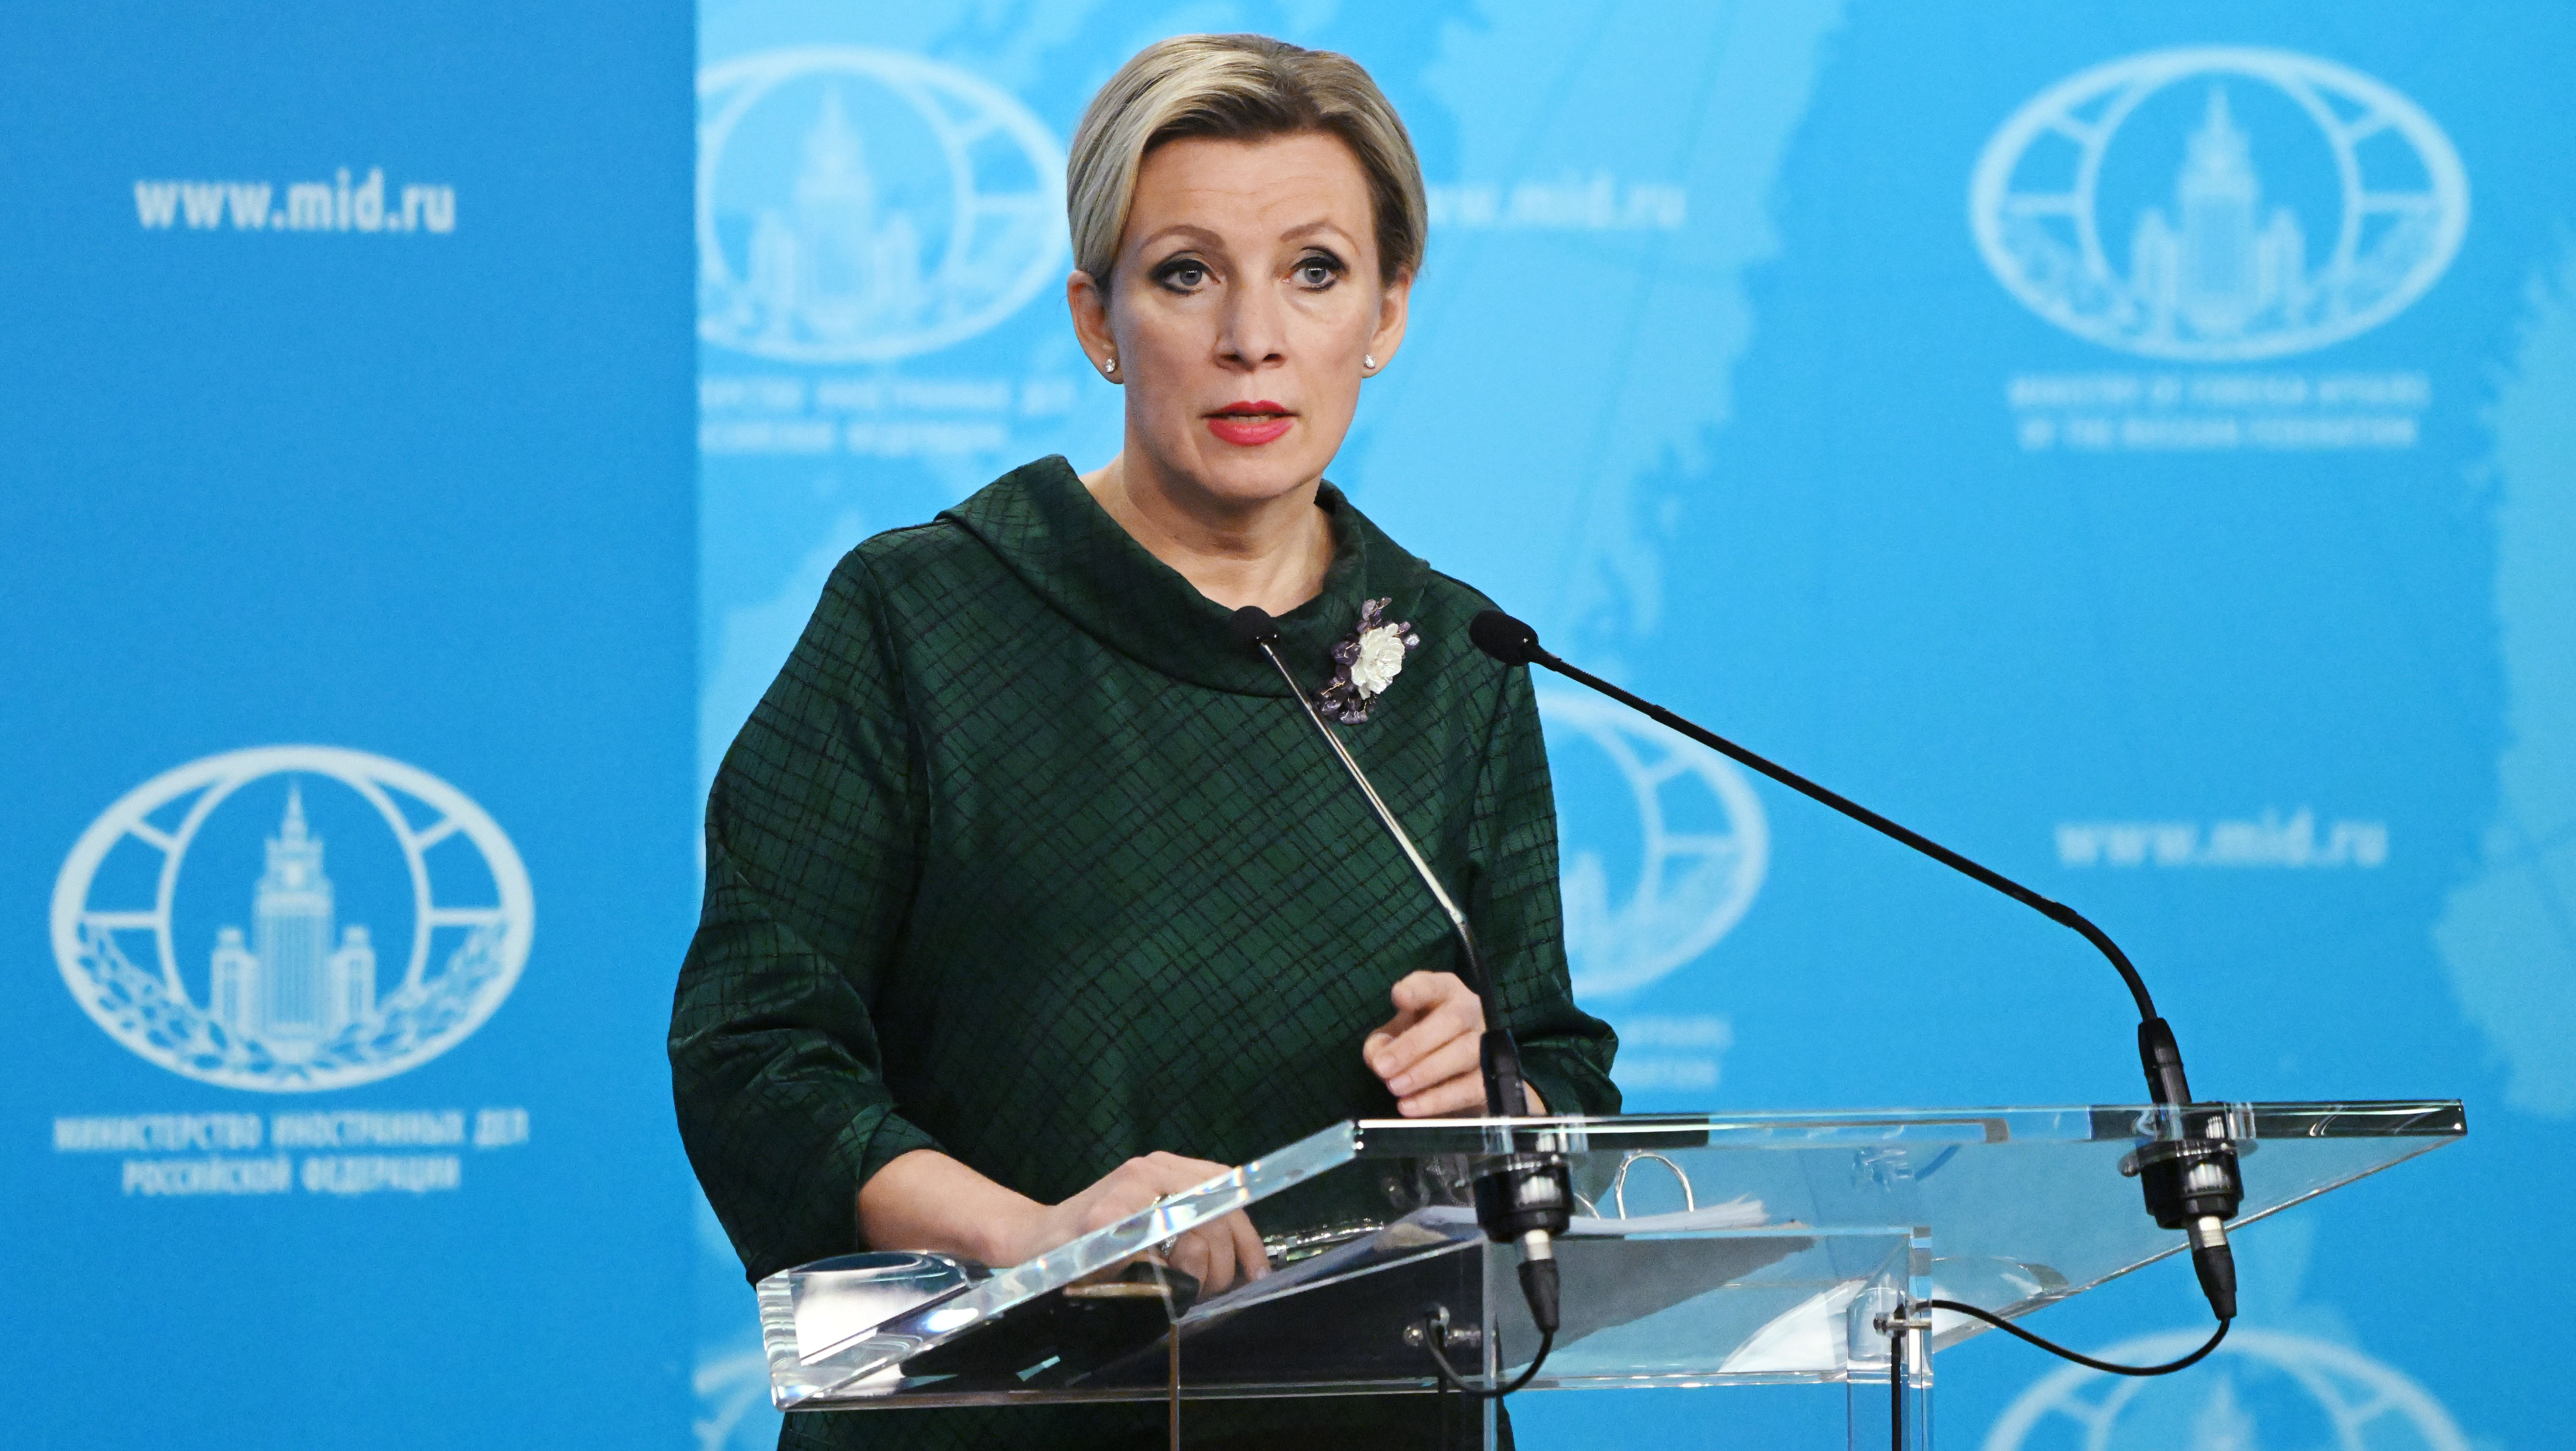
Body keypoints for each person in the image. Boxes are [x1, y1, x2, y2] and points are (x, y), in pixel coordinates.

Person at [671, 32, 1619, 1451]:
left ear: (1386, 311)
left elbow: (1560, 1073)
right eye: (1185, 274)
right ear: (1097, 318)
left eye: (1314, 271)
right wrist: (1033, 1234)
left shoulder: (1456, 656)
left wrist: (1495, 1090)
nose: (1253, 336)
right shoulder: (920, 617)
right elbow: (754, 1051)